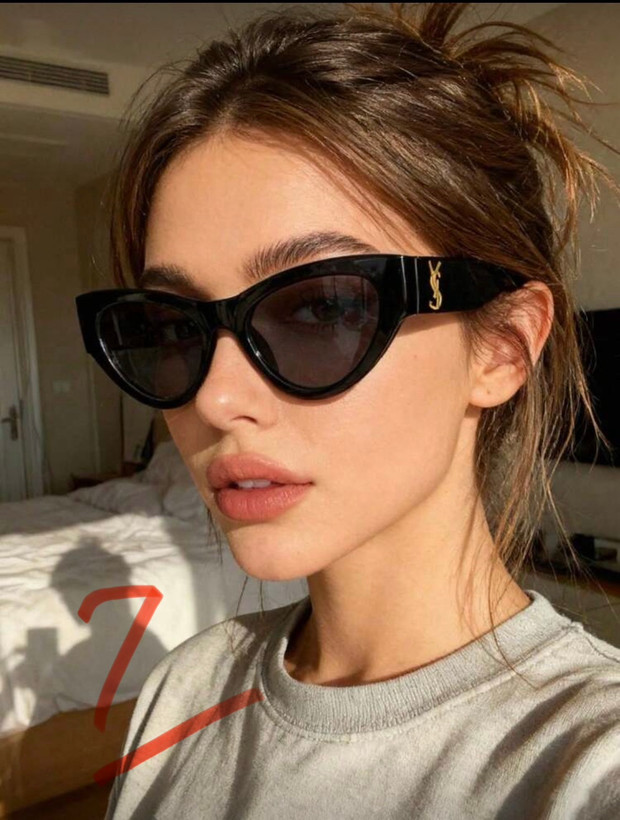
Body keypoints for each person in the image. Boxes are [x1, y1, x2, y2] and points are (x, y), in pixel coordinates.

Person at [76, 4, 619, 817]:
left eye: (322, 307)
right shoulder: (177, 695)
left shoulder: (583, 767)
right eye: (174, 325)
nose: (214, 398)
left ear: (503, 346)